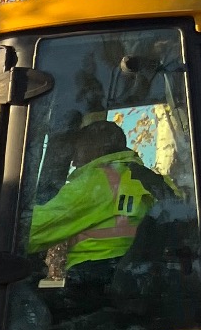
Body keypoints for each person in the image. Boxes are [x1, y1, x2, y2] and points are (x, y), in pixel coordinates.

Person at [27, 118, 163, 286]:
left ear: (94, 149)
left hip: (92, 282)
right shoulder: (157, 182)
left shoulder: (94, 183)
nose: (73, 162)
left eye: (76, 152)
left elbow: (30, 230)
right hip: (136, 282)